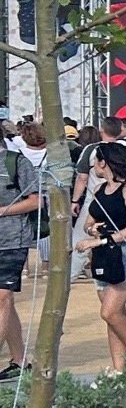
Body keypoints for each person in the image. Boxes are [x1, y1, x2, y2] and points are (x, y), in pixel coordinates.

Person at [74, 139, 126, 371]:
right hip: (104, 256)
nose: (93, 165)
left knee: (109, 311)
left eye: (95, 160)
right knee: (114, 315)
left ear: (104, 162)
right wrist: (92, 230)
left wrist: (100, 239)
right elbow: (89, 222)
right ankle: (119, 369)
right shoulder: (99, 189)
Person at [0, 130, 35, 378]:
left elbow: (35, 201)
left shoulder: (16, 162)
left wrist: (1, 210)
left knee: (1, 299)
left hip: (12, 240)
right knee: (5, 303)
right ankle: (20, 360)